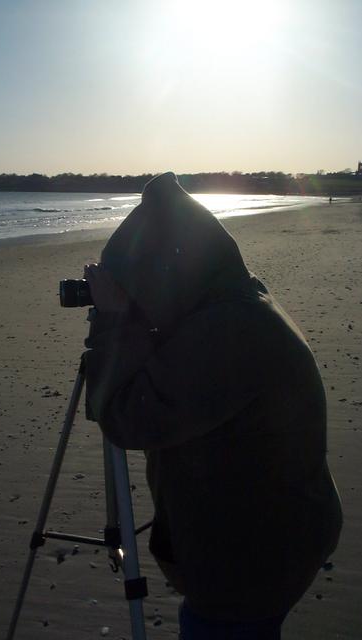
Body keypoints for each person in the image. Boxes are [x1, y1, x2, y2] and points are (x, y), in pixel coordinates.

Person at [83, 172, 343, 639]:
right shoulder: (237, 300)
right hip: (279, 535)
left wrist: (117, 325)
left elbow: (125, 416)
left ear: (167, 274)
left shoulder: (225, 334)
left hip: (249, 567)